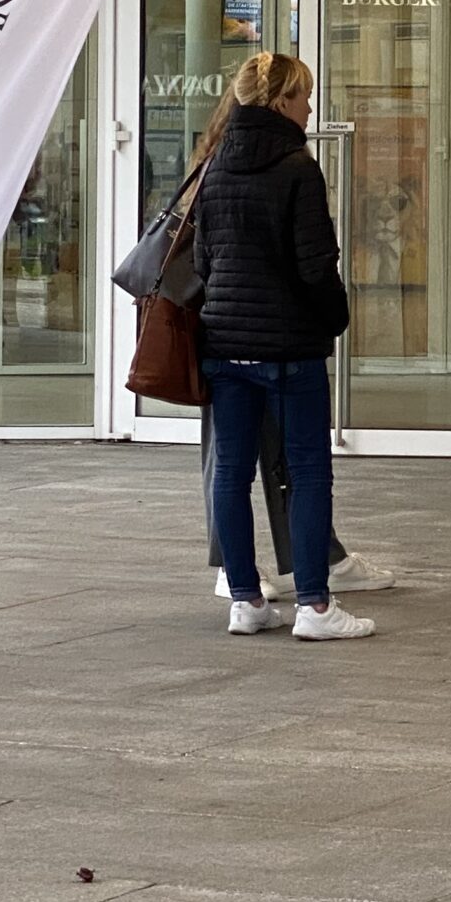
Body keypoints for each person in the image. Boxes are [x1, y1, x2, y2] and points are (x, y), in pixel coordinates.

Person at [176, 89, 392, 603]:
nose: (311, 110)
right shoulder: (296, 168)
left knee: (229, 468)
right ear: (278, 103)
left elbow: (202, 261)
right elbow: (316, 264)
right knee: (306, 468)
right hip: (286, 343)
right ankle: (314, 593)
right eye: (304, 98)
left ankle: (242, 587)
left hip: (225, 338)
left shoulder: (212, 166)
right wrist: (334, 320)